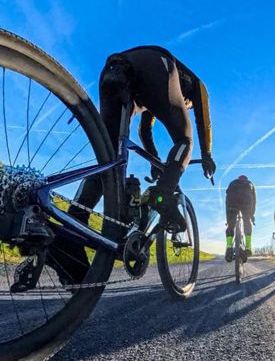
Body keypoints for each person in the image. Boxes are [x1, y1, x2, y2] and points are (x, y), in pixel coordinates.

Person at [12, 45, 216, 291]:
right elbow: (204, 120)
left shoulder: (153, 98)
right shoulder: (196, 85)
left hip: (113, 72)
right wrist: (207, 155)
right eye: (187, 104)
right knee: (185, 141)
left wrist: (154, 158)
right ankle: (162, 197)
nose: (186, 105)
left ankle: (71, 232)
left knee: (109, 160)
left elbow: (145, 130)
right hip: (156, 66)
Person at [225, 175, 256, 261]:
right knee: (247, 221)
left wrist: (228, 219)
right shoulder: (250, 183)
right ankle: (248, 247)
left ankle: (229, 246)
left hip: (231, 202)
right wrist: (251, 215)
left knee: (231, 226)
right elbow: (254, 201)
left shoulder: (232, 183)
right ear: (246, 179)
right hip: (246, 202)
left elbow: (227, 199)